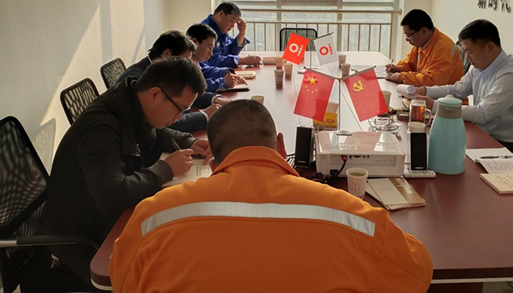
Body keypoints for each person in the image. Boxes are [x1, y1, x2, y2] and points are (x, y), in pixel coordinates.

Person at [109, 100, 433, 293]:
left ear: (213, 164)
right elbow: (416, 272)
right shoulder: (352, 215)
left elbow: (122, 281)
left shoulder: (153, 216)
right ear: (280, 145)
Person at [41, 58, 212, 286]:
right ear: (154, 94)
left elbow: (155, 132)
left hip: (108, 217)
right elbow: (112, 195)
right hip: (84, 240)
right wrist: (166, 169)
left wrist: (189, 141)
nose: (179, 118)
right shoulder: (100, 128)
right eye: (180, 110)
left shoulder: (130, 102)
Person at [415, 19, 513, 156]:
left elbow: (482, 113)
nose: (467, 58)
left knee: (452, 153)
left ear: (489, 47)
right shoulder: (480, 67)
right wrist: (424, 91)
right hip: (488, 135)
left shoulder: (510, 76)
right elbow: (455, 90)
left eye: (470, 52)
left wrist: (434, 106)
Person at [117, 30, 227, 132]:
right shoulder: (138, 79)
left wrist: (215, 100)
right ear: (167, 55)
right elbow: (161, 123)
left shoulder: (161, 71)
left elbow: (182, 94)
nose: (186, 67)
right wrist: (204, 115)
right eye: (184, 61)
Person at [386, 9, 464, 87]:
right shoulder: (421, 43)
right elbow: (410, 64)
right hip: (425, 91)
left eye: (408, 35)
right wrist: (399, 68)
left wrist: (401, 76)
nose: (406, 39)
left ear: (423, 31)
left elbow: (432, 81)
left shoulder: (443, 48)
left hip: (446, 94)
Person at [186, 22, 247, 92]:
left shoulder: (195, 62)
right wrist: (223, 82)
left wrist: (224, 72)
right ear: (194, 42)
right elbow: (195, 86)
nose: (211, 53)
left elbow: (204, 71)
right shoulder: (183, 65)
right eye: (209, 47)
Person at [201, 2, 262, 68]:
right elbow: (212, 61)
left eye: (235, 23)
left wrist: (242, 33)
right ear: (221, 14)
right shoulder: (204, 30)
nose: (233, 26)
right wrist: (242, 60)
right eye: (232, 21)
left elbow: (231, 52)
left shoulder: (222, 29)